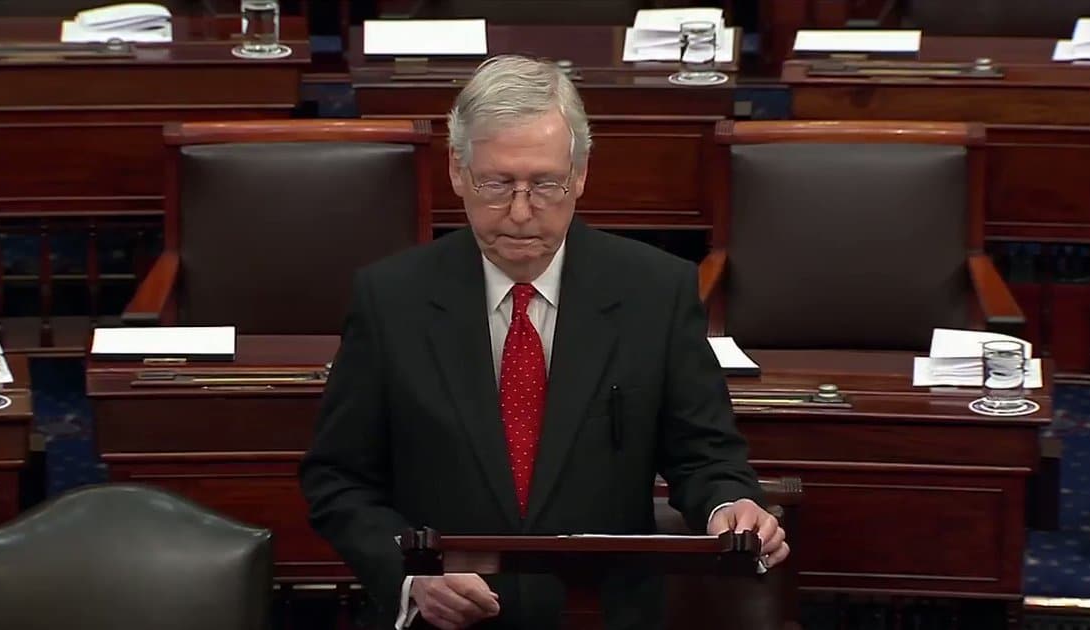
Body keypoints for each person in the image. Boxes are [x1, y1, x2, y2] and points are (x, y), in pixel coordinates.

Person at [299, 54, 788, 630]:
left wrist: (732, 506)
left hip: (602, 616)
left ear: (580, 173)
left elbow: (704, 455)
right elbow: (338, 478)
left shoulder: (654, 291)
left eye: (546, 184)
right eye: (497, 184)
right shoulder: (391, 300)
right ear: (458, 170)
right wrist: (410, 578)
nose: (522, 213)